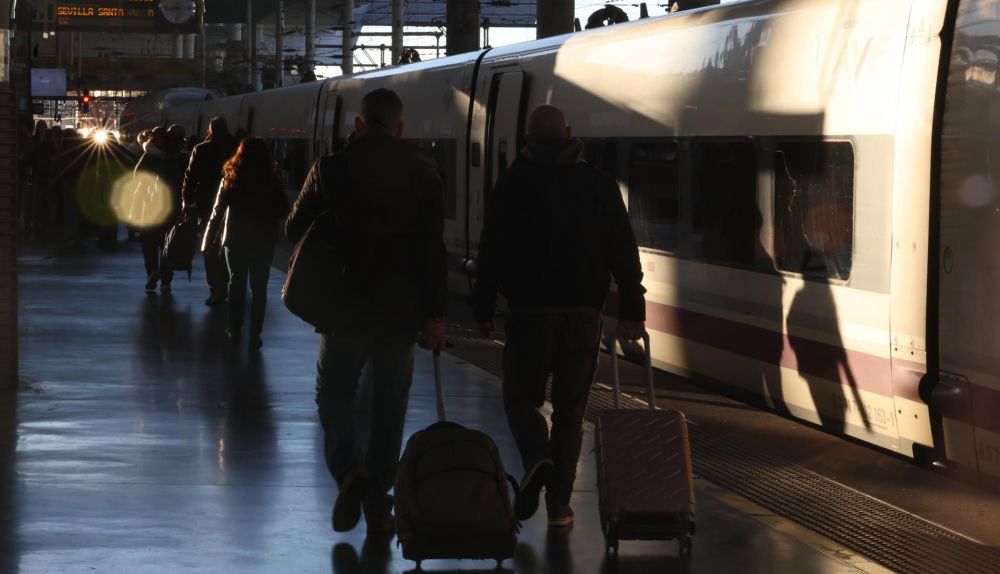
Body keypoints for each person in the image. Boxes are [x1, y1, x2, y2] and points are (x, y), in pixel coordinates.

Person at [472, 104, 647, 528]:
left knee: (520, 399)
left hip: (529, 314)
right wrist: (632, 309)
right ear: (569, 132)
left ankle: (537, 457)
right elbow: (624, 250)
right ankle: (560, 507)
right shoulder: (599, 184)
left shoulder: (512, 184)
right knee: (570, 413)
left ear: (527, 139)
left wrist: (482, 307)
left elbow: (492, 251)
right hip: (583, 315)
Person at [285, 88, 447, 535]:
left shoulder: (330, 168)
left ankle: (348, 473)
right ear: (400, 128)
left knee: (334, 394)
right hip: (400, 313)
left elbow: (293, 227)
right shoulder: (425, 174)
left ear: (358, 125)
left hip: (342, 308)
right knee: (389, 406)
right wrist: (434, 316)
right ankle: (378, 502)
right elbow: (433, 252)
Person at [202, 137, 290, 350]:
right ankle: (255, 333)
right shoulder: (272, 180)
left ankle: (234, 327)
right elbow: (283, 209)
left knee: (236, 283)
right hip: (263, 239)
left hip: (235, 238)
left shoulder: (231, 177)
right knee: (259, 287)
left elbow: (217, 211)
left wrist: (208, 240)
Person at [181, 117, 236, 306]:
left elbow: (190, 177)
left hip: (206, 206)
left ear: (210, 131)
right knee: (230, 245)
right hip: (232, 205)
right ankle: (230, 283)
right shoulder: (237, 148)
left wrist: (187, 201)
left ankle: (216, 289)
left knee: (210, 246)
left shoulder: (201, 149)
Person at [132, 126, 185, 291]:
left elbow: (137, 174)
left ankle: (152, 271)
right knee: (167, 243)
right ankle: (166, 279)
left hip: (150, 206)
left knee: (148, 242)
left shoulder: (150, 155)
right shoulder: (178, 157)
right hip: (172, 206)